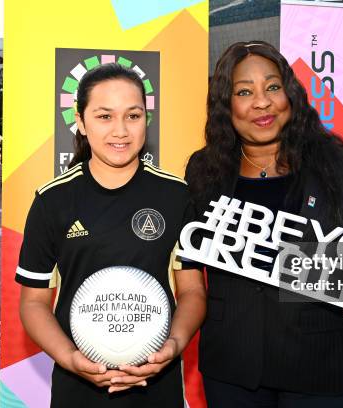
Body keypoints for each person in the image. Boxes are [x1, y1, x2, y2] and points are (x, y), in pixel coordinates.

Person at [182, 41, 343, 407]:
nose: (262, 102)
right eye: (243, 92)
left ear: (291, 94)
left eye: (272, 87)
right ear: (226, 105)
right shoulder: (203, 170)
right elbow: (190, 260)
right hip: (233, 370)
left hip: (322, 367)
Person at [16, 63, 206, 408]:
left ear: (145, 119)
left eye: (133, 116)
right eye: (105, 116)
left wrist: (174, 345)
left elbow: (192, 290)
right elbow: (33, 303)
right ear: (81, 119)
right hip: (78, 387)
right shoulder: (52, 201)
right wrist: (71, 358)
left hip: (157, 385)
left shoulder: (176, 196)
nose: (121, 131)